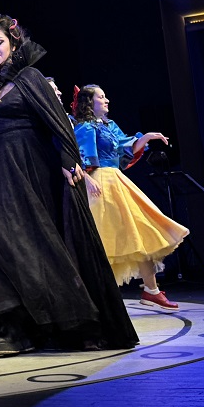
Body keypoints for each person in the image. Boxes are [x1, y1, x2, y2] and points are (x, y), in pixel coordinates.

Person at [0, 15, 138, 356]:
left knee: (40, 245)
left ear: (13, 43)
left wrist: (68, 160)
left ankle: (70, 324)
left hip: (34, 171)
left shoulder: (31, 79)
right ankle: (13, 326)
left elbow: (59, 124)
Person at [71, 84, 190, 310]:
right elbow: (78, 156)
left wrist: (148, 137)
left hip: (116, 181)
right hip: (100, 183)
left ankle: (151, 290)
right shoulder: (85, 127)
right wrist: (86, 178)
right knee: (105, 240)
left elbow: (127, 147)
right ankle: (94, 297)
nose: (107, 100)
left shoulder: (109, 126)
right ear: (90, 102)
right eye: (101, 97)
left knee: (140, 232)